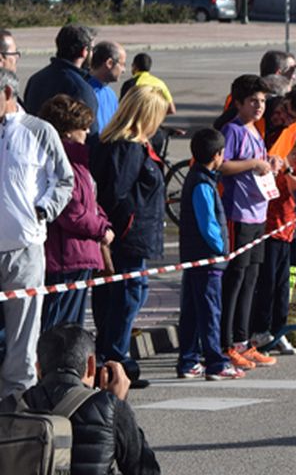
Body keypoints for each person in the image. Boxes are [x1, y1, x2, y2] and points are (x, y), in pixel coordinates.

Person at [0, 324, 196, 475]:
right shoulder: (108, 407)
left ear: (38, 368)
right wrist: (120, 405)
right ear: (92, 365)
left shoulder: (9, 409)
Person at [0, 68, 73, 399]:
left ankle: (18, 399)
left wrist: (43, 209)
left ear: (7, 94)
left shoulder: (39, 131)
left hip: (24, 248)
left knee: (23, 331)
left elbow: (64, 179)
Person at [90, 86, 169, 389]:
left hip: (132, 233)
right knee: (126, 293)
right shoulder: (126, 147)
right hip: (127, 235)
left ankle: (111, 354)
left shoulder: (125, 143)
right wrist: (120, 230)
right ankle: (114, 357)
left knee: (126, 293)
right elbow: (115, 194)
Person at [218, 75, 284, 371]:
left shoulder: (254, 130)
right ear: (240, 103)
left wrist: (270, 162)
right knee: (235, 280)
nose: (260, 106)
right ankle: (227, 342)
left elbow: (258, 162)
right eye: (254, 101)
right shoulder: (232, 130)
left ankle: (243, 341)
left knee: (251, 281)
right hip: (239, 214)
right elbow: (223, 164)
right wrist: (253, 164)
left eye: (263, 101)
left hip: (259, 213)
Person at [36, 95, 113, 332]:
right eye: (83, 127)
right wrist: (101, 229)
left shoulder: (79, 162)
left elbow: (90, 201)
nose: (88, 132)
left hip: (77, 254)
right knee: (59, 328)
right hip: (66, 256)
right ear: (67, 132)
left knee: (70, 327)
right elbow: (71, 212)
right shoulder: (62, 163)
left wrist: (103, 220)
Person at [175, 128, 245, 380]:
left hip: (195, 256)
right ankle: (216, 362)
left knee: (193, 311)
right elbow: (208, 224)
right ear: (217, 155)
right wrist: (221, 250)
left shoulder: (198, 178)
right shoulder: (202, 183)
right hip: (207, 258)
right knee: (210, 311)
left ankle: (189, 360)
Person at [249, 141, 296, 355]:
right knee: (268, 284)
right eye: (294, 153)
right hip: (272, 234)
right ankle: (261, 330)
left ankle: (279, 331)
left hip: (288, 236)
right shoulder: (283, 176)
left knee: (282, 287)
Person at [23, 24, 99, 133]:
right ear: (84, 51)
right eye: (92, 49)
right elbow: (90, 132)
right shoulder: (81, 88)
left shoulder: (35, 79)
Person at [87, 41, 126, 132]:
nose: (124, 70)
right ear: (109, 63)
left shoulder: (110, 94)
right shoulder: (86, 92)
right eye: (122, 64)